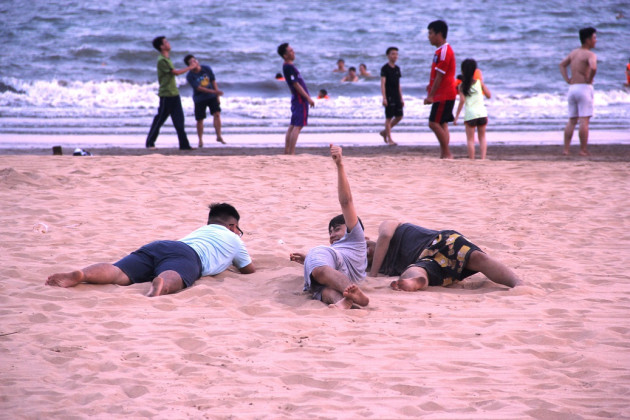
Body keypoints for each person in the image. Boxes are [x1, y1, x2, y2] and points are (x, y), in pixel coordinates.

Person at [46, 203, 255, 297]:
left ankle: (83, 274)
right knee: (176, 274)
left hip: (163, 245)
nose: (239, 233)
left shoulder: (202, 230)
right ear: (231, 226)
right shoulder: (235, 240)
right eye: (238, 228)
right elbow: (248, 270)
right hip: (190, 256)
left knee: (119, 272)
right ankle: (162, 284)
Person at [290, 144, 370, 309]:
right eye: (330, 231)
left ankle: (354, 295)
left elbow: (346, 202)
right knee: (323, 292)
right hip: (339, 275)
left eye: (337, 229)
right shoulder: (336, 250)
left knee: (318, 262)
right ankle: (344, 302)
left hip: (334, 265)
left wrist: (340, 165)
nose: (332, 234)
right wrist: (307, 260)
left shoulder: (355, 238)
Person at [367, 221, 522, 291]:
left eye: (364, 247)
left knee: (477, 258)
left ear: (366, 238)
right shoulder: (385, 266)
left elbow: (386, 235)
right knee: (415, 271)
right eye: (364, 256)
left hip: (440, 241)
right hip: (425, 261)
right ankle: (415, 282)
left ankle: (518, 283)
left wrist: (373, 274)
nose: (366, 252)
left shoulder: (387, 226)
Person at [145, 36, 194, 150]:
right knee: (160, 119)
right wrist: (190, 67)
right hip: (166, 94)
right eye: (166, 42)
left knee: (179, 120)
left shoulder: (167, 59)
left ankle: (184, 145)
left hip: (174, 93)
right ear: (162, 47)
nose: (168, 43)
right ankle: (150, 143)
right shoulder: (162, 60)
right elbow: (175, 73)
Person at [559, 27, 597, 156]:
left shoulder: (574, 53)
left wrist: (567, 79)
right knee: (584, 120)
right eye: (594, 38)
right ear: (587, 40)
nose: (595, 41)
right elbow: (593, 67)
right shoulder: (590, 54)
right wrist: (590, 79)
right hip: (584, 88)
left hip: (572, 88)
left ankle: (566, 149)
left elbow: (562, 64)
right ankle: (583, 149)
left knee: (572, 120)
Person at [424, 20, 457, 159]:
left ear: (439, 34)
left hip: (444, 94)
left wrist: (431, 95)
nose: (429, 36)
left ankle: (447, 152)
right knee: (442, 123)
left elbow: (440, 76)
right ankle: (445, 153)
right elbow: (437, 75)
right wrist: (430, 87)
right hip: (446, 93)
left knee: (433, 123)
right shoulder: (439, 51)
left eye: (430, 33)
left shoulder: (444, 51)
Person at [277, 43, 315, 155]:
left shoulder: (289, 66)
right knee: (297, 126)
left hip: (297, 99)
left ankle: (287, 151)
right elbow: (296, 85)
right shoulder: (288, 67)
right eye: (290, 51)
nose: (293, 52)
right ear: (285, 55)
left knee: (293, 125)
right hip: (299, 99)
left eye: (293, 50)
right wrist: (308, 98)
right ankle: (291, 152)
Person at [454, 59, 492, 159]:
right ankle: (483, 159)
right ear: (475, 70)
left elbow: (461, 101)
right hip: (482, 114)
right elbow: (489, 95)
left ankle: (472, 159)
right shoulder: (479, 83)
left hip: (470, 115)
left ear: (462, 71)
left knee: (470, 140)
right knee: (482, 137)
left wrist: (456, 117)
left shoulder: (461, 86)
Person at [184, 54, 225, 147]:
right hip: (199, 99)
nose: (194, 63)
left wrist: (217, 95)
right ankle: (200, 140)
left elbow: (213, 81)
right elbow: (198, 88)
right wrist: (215, 92)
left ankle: (219, 136)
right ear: (189, 66)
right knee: (200, 119)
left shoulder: (206, 68)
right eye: (191, 62)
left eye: (194, 60)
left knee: (217, 114)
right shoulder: (190, 76)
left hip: (212, 97)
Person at [380, 46, 404, 146]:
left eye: (396, 54)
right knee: (389, 118)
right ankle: (389, 139)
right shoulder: (385, 68)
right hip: (389, 96)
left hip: (396, 96)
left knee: (399, 116)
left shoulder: (397, 69)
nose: (395, 56)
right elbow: (382, 84)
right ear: (388, 55)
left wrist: (401, 97)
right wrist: (384, 97)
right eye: (393, 54)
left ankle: (385, 132)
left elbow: (398, 84)